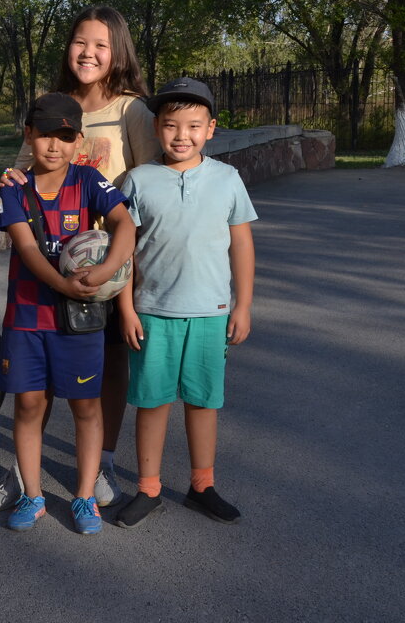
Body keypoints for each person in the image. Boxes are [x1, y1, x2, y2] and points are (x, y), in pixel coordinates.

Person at [0, 5, 160, 511]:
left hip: (111, 266)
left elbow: (149, 186)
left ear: (118, 52)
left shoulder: (133, 110)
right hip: (49, 265)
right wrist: (9, 178)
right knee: (35, 375)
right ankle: (24, 470)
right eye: (80, 42)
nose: (88, 53)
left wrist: (123, 268)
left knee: (107, 362)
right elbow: (24, 171)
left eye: (101, 45)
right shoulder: (53, 105)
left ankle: (102, 461)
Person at [114, 77, 257, 528]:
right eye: (172, 125)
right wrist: (126, 308)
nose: (182, 135)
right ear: (156, 128)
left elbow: (242, 246)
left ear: (211, 129)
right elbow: (124, 252)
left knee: (203, 403)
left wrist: (243, 305)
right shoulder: (137, 181)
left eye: (193, 126)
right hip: (153, 313)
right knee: (151, 403)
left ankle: (202, 485)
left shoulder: (227, 179)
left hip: (211, 313)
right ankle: (149, 488)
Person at [0, 92, 136, 534]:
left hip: (80, 323)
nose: (53, 145)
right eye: (44, 135)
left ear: (78, 140)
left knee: (86, 408)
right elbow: (26, 247)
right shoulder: (14, 190)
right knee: (29, 405)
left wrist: (107, 272)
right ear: (28, 135)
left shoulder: (90, 181)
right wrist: (64, 284)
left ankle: (83, 498)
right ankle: (33, 495)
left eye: (64, 136)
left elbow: (126, 225)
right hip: (27, 317)